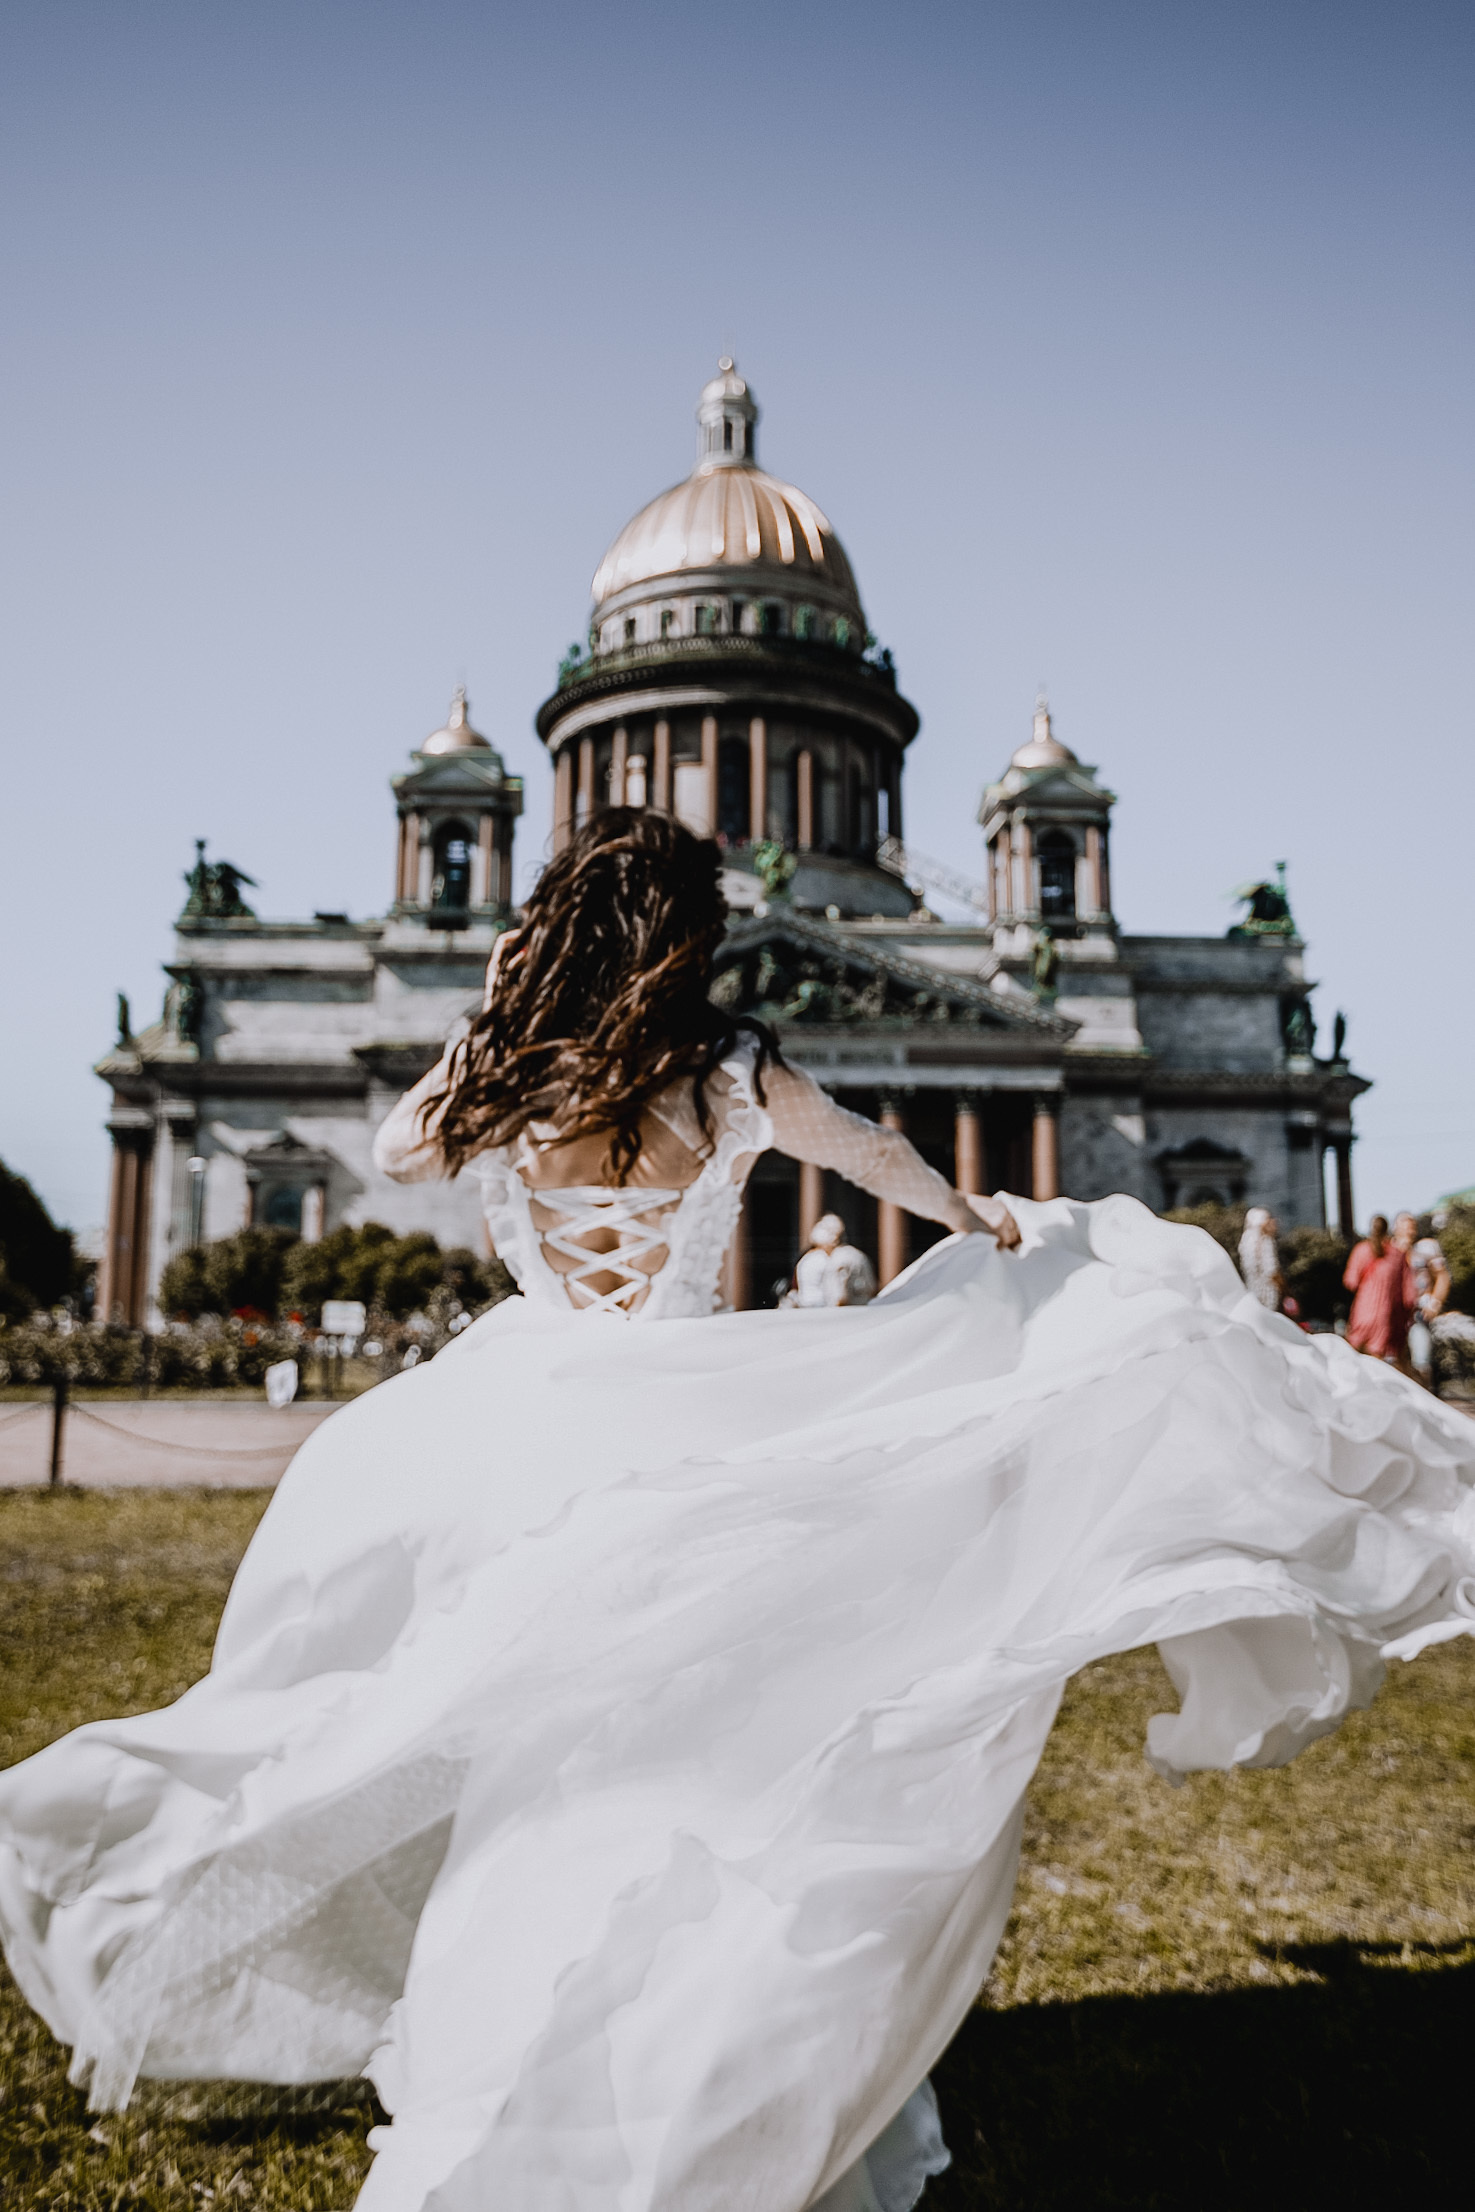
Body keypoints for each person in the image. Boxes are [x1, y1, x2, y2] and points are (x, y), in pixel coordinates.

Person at [0, 810, 1472, 2212]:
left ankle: (490, 1999)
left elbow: (395, 1151)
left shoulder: (513, 1068)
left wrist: (500, 1012)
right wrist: (982, 1225)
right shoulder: (725, 1067)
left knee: (472, 1734)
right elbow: (876, 1161)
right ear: (692, 936)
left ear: (553, 928)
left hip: (509, 1426)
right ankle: (686, 2033)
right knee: (696, 1752)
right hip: (687, 1409)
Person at [1343, 1214, 1417, 1370]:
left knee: (1353, 1355)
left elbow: (1351, 1281)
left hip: (1363, 1311)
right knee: (1378, 1361)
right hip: (1386, 1314)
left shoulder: (1362, 1249)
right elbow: (1409, 1295)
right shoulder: (1397, 1254)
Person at [1395, 1211, 1450, 1385]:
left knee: (1422, 1361)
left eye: (1412, 1227)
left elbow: (1442, 1276)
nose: (1410, 1231)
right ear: (1396, 1229)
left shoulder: (1426, 1248)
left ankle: (1425, 1396)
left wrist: (1435, 1302)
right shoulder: (1390, 1250)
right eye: (1405, 1228)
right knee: (1394, 1361)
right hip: (1396, 1312)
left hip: (1419, 1310)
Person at [787, 1212, 878, 1309]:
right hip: (862, 1309)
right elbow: (872, 1287)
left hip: (841, 1313)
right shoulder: (857, 1255)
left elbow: (840, 1297)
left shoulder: (835, 1258)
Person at [1236, 1206, 1282, 1311]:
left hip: (1251, 1288)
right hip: (1266, 1290)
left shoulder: (1246, 1238)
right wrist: (1284, 1289)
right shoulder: (1264, 1239)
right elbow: (1270, 1269)